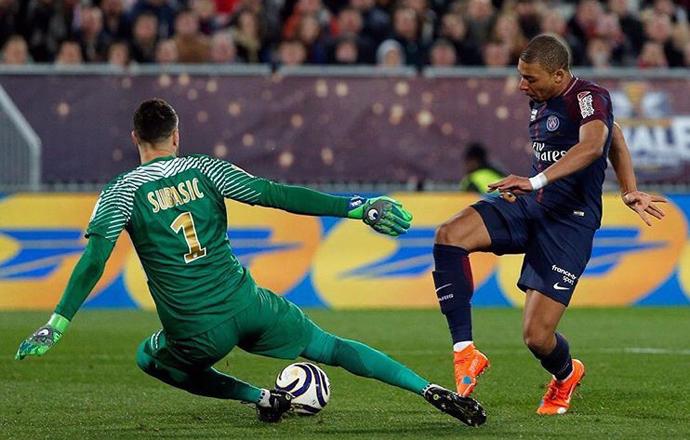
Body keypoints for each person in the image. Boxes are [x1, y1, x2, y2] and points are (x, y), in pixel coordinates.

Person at [15, 99, 486, 427]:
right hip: (249, 303)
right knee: (331, 346)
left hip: (197, 330)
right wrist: (357, 207)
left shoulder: (120, 193)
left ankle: (261, 397)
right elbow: (276, 195)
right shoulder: (204, 169)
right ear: (176, 135)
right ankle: (429, 389)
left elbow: (94, 260)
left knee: (149, 357)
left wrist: (57, 323)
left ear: (135, 137)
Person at [430, 34, 666, 415]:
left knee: (537, 337)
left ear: (558, 74)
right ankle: (465, 352)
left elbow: (598, 143)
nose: (522, 85)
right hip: (531, 206)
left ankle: (566, 374)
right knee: (449, 235)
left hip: (569, 224)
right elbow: (616, 136)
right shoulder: (540, 99)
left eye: (530, 78)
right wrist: (533, 187)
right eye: (520, 75)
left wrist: (627, 191)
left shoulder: (588, 97)